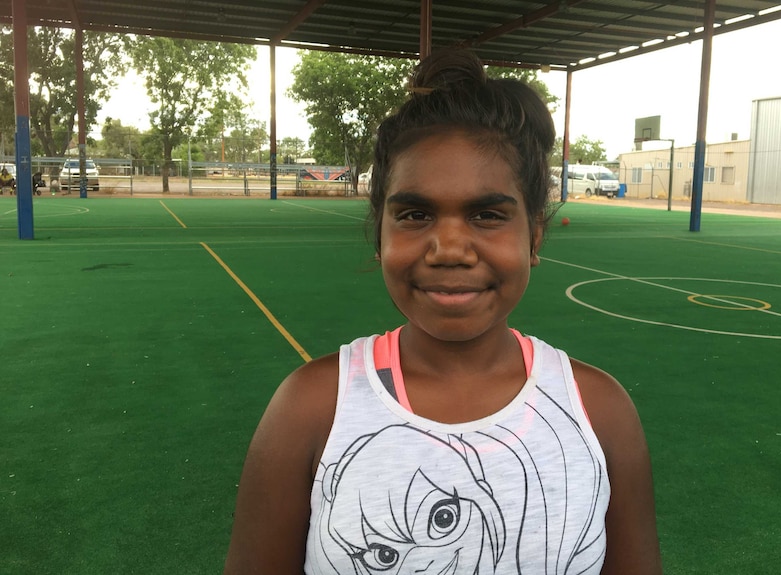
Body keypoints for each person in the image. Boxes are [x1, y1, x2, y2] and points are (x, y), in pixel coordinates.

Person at [224, 49, 662, 575]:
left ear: (535, 235)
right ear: (379, 234)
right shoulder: (311, 409)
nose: (449, 247)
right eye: (414, 214)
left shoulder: (600, 412)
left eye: (487, 214)